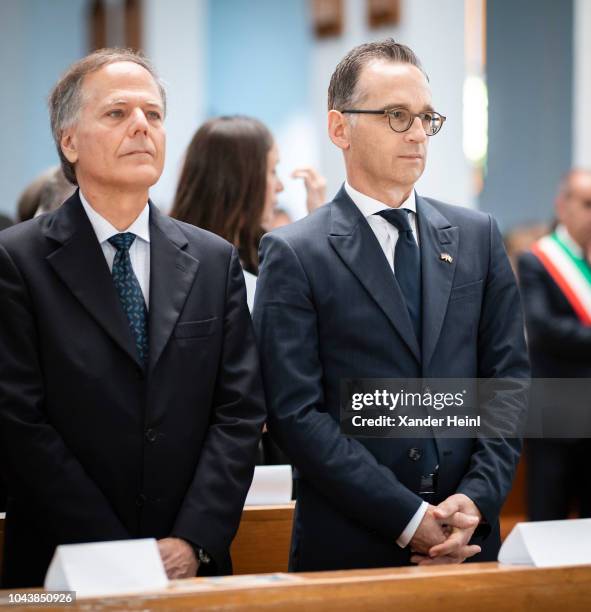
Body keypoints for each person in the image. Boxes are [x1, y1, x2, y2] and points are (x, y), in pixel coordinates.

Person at [253, 38, 529, 571]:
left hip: (468, 541)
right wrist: (409, 519)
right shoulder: (295, 251)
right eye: (396, 116)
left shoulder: (476, 236)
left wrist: (474, 499)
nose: (419, 134)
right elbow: (295, 413)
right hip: (352, 544)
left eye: (426, 117)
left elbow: (507, 384)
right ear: (340, 129)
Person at [0, 48, 265, 588]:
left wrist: (194, 538)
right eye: (117, 113)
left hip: (190, 564)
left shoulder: (213, 260)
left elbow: (239, 411)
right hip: (61, 569)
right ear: (69, 141)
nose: (142, 127)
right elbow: (19, 422)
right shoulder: (17, 261)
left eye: (155, 114)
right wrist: (119, 553)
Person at [170, 115, 326, 311]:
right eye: (272, 171)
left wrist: (318, 222)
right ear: (240, 180)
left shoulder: (264, 259)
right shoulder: (179, 271)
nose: (280, 186)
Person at [518, 169, 591, 520]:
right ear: (562, 206)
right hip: (557, 409)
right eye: (587, 204)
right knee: (549, 512)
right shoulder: (539, 259)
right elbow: (544, 329)